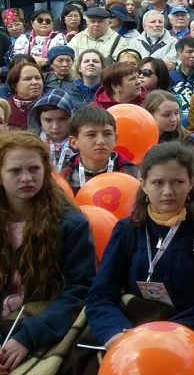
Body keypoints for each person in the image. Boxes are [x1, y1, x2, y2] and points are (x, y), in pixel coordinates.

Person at [84, 142, 194, 346]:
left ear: (191, 183)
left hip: (185, 337)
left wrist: (159, 337)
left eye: (178, 182)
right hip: (129, 332)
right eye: (158, 182)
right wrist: (114, 332)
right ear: (143, 184)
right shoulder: (127, 230)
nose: (168, 191)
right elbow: (101, 295)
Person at [0, 131, 96, 372]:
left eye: (34, 169)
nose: (26, 178)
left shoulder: (69, 223)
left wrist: (27, 337)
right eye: (14, 171)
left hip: (44, 322)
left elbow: (79, 290)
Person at [27, 88, 77, 170]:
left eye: (62, 119)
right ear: (39, 121)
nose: (55, 126)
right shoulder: (33, 144)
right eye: (48, 120)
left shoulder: (80, 144)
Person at [5, 61, 46, 130]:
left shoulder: (52, 105)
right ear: (14, 85)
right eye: (28, 79)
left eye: (38, 78)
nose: (35, 82)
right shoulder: (5, 110)